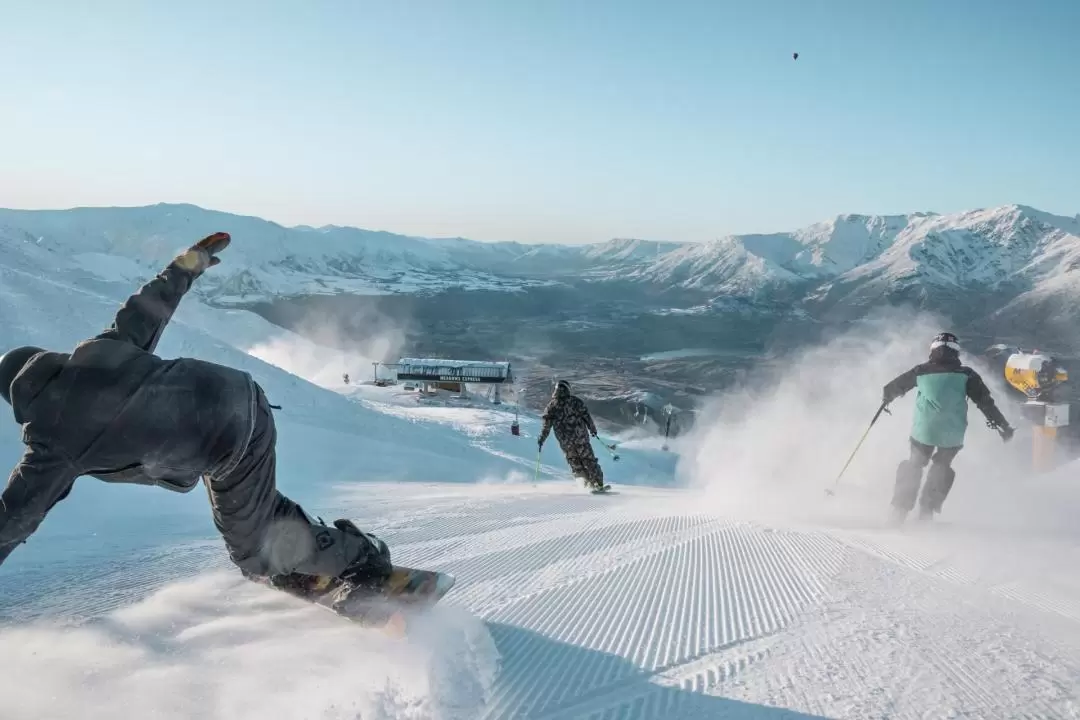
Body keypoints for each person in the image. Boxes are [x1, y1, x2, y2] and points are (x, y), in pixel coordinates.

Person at [0, 232, 392, 600]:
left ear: (16, 399)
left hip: (223, 441)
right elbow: (149, 306)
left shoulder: (52, 440)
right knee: (253, 507)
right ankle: (315, 549)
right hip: (242, 399)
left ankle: (359, 560)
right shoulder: (100, 352)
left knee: (251, 552)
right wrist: (188, 262)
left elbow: (15, 517)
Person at [882, 332, 1015, 522]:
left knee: (914, 464)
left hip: (924, 431)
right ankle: (926, 514)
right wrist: (1003, 426)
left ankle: (899, 512)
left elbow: (892, 388)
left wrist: (886, 399)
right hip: (952, 434)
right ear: (956, 353)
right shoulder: (967, 374)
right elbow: (986, 404)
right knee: (942, 467)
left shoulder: (921, 371)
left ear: (933, 350)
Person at [538, 380, 605, 490]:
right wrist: (592, 429)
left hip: (566, 443)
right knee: (588, 460)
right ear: (568, 389)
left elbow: (546, 426)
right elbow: (586, 416)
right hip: (581, 439)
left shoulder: (551, 407)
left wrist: (542, 439)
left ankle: (584, 483)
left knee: (574, 462)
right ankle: (597, 483)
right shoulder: (576, 402)